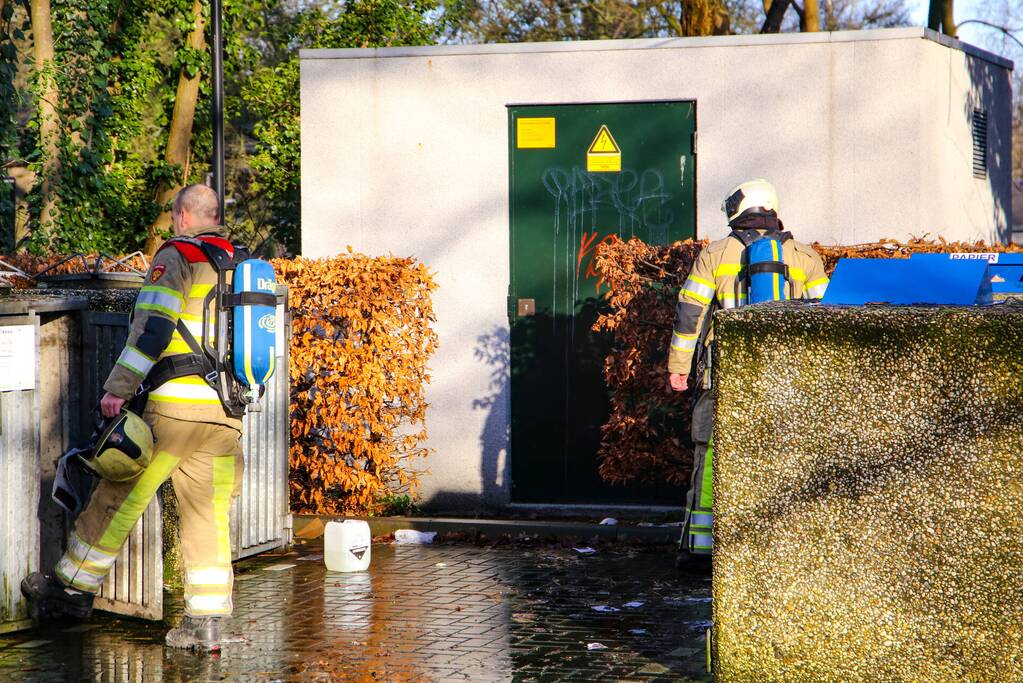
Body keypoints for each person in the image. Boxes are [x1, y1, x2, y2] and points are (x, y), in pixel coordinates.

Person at [22, 184, 243, 652]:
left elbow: (154, 328)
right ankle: (206, 625)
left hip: (175, 410)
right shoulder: (241, 265)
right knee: (208, 518)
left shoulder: (177, 255)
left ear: (182, 215)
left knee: (119, 494)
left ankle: (69, 592)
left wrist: (117, 390)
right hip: (227, 413)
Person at [668, 178, 829, 569]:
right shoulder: (805, 257)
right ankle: (779, 552)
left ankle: (700, 554)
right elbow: (826, 321)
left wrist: (678, 368)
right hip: (787, 380)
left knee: (708, 456)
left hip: (720, 378)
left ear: (740, 209)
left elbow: (691, 315)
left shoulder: (715, 254)